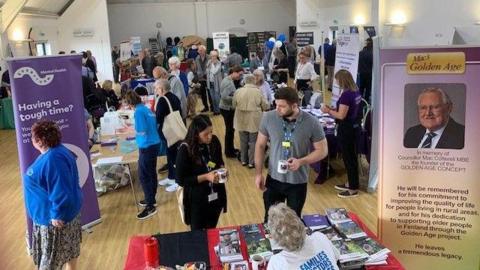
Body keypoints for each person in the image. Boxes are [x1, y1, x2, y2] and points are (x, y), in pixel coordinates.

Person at [255, 87, 328, 222]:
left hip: (298, 183)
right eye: (276, 105)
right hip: (273, 181)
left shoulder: (312, 122)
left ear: (294, 105)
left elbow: (322, 150)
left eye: (282, 106)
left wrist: (301, 161)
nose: (277, 109)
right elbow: (260, 145)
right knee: (271, 220)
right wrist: (259, 173)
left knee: (293, 222)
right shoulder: (268, 117)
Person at [24, 120, 83, 270]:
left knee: (49, 263)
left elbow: (60, 189)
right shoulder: (57, 151)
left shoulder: (53, 159)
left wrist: (57, 214)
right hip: (63, 215)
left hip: (53, 221)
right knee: (70, 252)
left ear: (39, 140)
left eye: (32, 137)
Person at [176, 115, 227, 230]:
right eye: (205, 134)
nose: (210, 137)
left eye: (211, 132)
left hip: (215, 197)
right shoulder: (185, 150)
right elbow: (181, 180)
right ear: (196, 134)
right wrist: (206, 177)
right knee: (198, 234)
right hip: (197, 201)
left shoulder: (214, 142)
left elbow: (218, 162)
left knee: (211, 229)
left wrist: (222, 171)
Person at [321, 69, 361, 198]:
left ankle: (353, 188)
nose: (336, 82)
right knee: (351, 157)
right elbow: (347, 110)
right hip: (354, 127)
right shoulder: (356, 91)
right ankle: (351, 183)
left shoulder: (346, 95)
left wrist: (328, 110)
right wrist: (334, 109)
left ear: (342, 80)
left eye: (337, 80)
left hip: (346, 129)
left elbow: (341, 116)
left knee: (349, 158)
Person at [266, 203, 339, 270]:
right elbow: (336, 256)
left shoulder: (276, 262)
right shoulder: (320, 237)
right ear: (300, 223)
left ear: (275, 239)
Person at [124, 91, 161, 219]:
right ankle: (151, 198)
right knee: (150, 173)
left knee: (143, 175)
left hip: (147, 145)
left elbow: (142, 130)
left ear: (129, 103)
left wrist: (131, 129)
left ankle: (150, 206)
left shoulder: (138, 112)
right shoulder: (145, 109)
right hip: (154, 143)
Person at [233, 74, 269, 167]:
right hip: (254, 119)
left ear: (244, 81)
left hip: (240, 118)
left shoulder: (238, 91)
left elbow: (233, 105)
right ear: (254, 81)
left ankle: (243, 160)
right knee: (253, 141)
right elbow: (265, 106)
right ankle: (251, 162)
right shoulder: (258, 91)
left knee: (243, 140)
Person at [155, 79, 182, 192]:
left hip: (168, 132)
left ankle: (178, 181)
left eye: (156, 88)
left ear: (161, 89)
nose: (155, 90)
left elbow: (159, 118)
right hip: (175, 130)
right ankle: (171, 177)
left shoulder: (162, 100)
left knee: (173, 156)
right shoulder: (174, 97)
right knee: (170, 155)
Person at [220, 65, 244, 158]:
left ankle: (230, 149)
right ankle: (229, 152)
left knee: (230, 130)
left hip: (227, 108)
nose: (240, 76)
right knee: (230, 130)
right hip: (227, 109)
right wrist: (236, 98)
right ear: (234, 72)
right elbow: (224, 97)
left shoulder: (229, 80)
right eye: (239, 74)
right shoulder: (228, 83)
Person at [195, 45, 213, 112]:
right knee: (202, 94)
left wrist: (205, 74)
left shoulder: (209, 57)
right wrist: (198, 74)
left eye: (200, 50)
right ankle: (206, 107)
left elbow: (210, 67)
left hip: (208, 78)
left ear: (204, 51)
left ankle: (212, 107)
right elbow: (197, 67)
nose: (198, 51)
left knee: (210, 93)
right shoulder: (197, 58)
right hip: (201, 79)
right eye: (198, 50)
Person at [206, 50, 223, 115]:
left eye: (215, 56)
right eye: (212, 56)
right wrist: (209, 66)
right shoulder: (209, 62)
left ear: (217, 56)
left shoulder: (219, 63)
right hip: (210, 82)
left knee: (217, 98)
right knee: (212, 98)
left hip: (217, 83)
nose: (213, 57)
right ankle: (215, 111)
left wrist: (211, 64)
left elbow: (214, 71)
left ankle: (219, 111)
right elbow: (207, 71)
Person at [358, 38, 373, 102]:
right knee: (368, 89)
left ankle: (360, 101)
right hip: (369, 73)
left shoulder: (360, 53)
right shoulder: (372, 54)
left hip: (361, 73)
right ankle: (366, 102)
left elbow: (358, 63)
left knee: (361, 88)